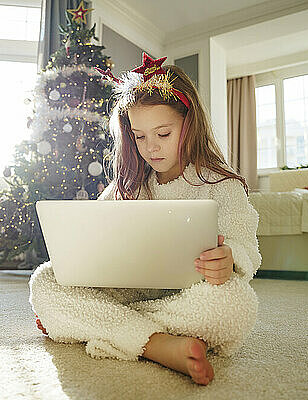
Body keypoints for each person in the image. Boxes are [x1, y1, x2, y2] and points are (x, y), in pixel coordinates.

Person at [29, 53, 261, 386]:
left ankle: (101, 325)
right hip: (126, 291)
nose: (150, 148)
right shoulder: (128, 184)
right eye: (139, 136)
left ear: (189, 125)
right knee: (45, 282)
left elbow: (246, 247)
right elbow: (93, 232)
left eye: (163, 134)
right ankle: (159, 344)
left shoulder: (222, 185)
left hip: (186, 298)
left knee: (237, 305)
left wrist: (231, 257)